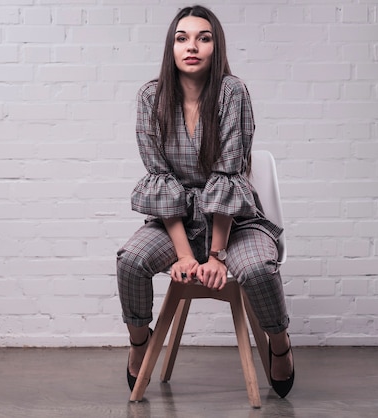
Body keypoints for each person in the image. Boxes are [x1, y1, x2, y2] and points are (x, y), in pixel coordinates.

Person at [117, 5, 294, 398]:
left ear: (216, 46)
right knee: (130, 260)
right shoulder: (151, 97)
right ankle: (139, 341)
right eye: (182, 38)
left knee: (259, 271)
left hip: (235, 223)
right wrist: (184, 254)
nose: (191, 46)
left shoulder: (232, 93)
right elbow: (160, 182)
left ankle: (279, 343)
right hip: (174, 221)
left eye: (203, 37)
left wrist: (216, 255)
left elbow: (229, 178)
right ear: (171, 47)